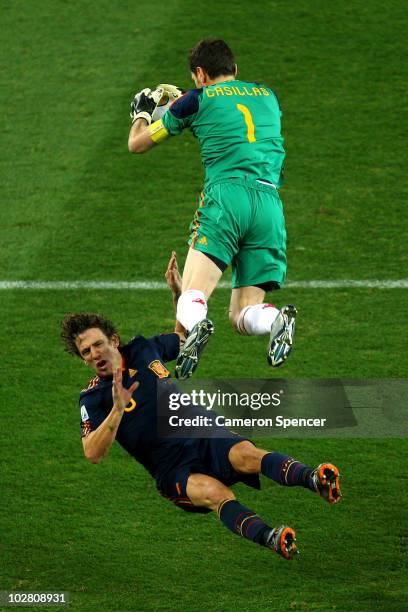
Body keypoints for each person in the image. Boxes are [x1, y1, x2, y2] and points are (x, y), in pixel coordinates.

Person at [60, 258, 342, 561]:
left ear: (113, 340)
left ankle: (314, 479)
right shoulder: (93, 399)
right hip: (172, 468)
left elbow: (183, 341)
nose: (94, 355)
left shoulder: (143, 349)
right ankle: (270, 537)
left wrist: (180, 298)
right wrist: (116, 411)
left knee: (248, 456)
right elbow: (92, 452)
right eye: (86, 352)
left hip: (204, 434)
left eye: (97, 345)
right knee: (213, 492)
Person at [128, 37, 296, 379]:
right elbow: (232, 122)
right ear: (234, 68)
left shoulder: (195, 100)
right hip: (269, 204)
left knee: (193, 293)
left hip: (226, 199)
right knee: (243, 313)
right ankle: (276, 319)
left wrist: (144, 113)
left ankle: (199, 323)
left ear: (200, 73)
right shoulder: (267, 94)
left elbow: (137, 144)